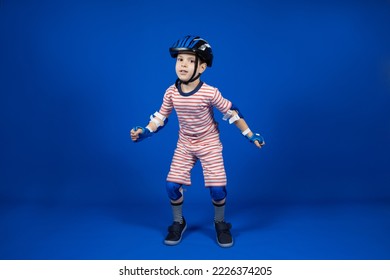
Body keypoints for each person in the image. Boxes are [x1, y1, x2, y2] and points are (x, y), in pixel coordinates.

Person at [130, 35, 265, 248]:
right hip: (185, 144)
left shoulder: (210, 93)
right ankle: (178, 221)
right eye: (180, 60)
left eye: (190, 61)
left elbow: (232, 113)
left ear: (202, 67)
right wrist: (145, 131)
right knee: (172, 185)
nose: (183, 64)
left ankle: (220, 223)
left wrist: (250, 134)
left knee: (218, 189)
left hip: (209, 143)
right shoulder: (171, 92)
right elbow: (161, 117)